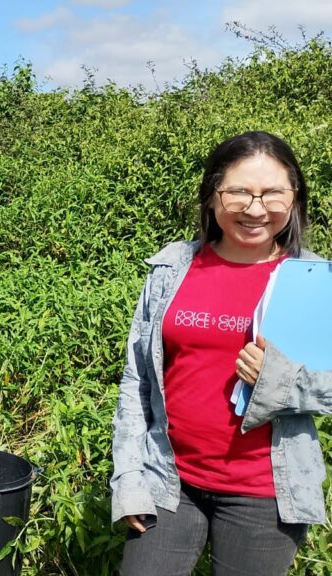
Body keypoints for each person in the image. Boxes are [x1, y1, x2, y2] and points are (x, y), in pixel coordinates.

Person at [110, 131, 332, 575]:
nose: (256, 209)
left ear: (294, 197)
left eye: (273, 193)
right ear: (212, 196)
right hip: (168, 478)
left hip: (265, 494)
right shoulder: (172, 269)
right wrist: (129, 478)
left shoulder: (311, 282)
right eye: (238, 193)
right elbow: (138, 379)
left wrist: (278, 381)